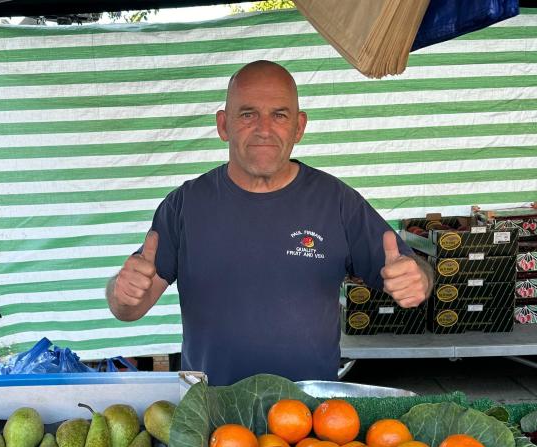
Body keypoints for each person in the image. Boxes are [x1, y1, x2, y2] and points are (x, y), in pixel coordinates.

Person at [107, 60, 433, 385]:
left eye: (279, 115)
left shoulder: (336, 201)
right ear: (224, 125)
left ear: (299, 126)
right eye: (248, 114)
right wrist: (122, 295)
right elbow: (129, 306)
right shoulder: (184, 206)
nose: (264, 129)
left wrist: (418, 277)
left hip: (311, 420)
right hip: (212, 414)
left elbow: (411, 269)